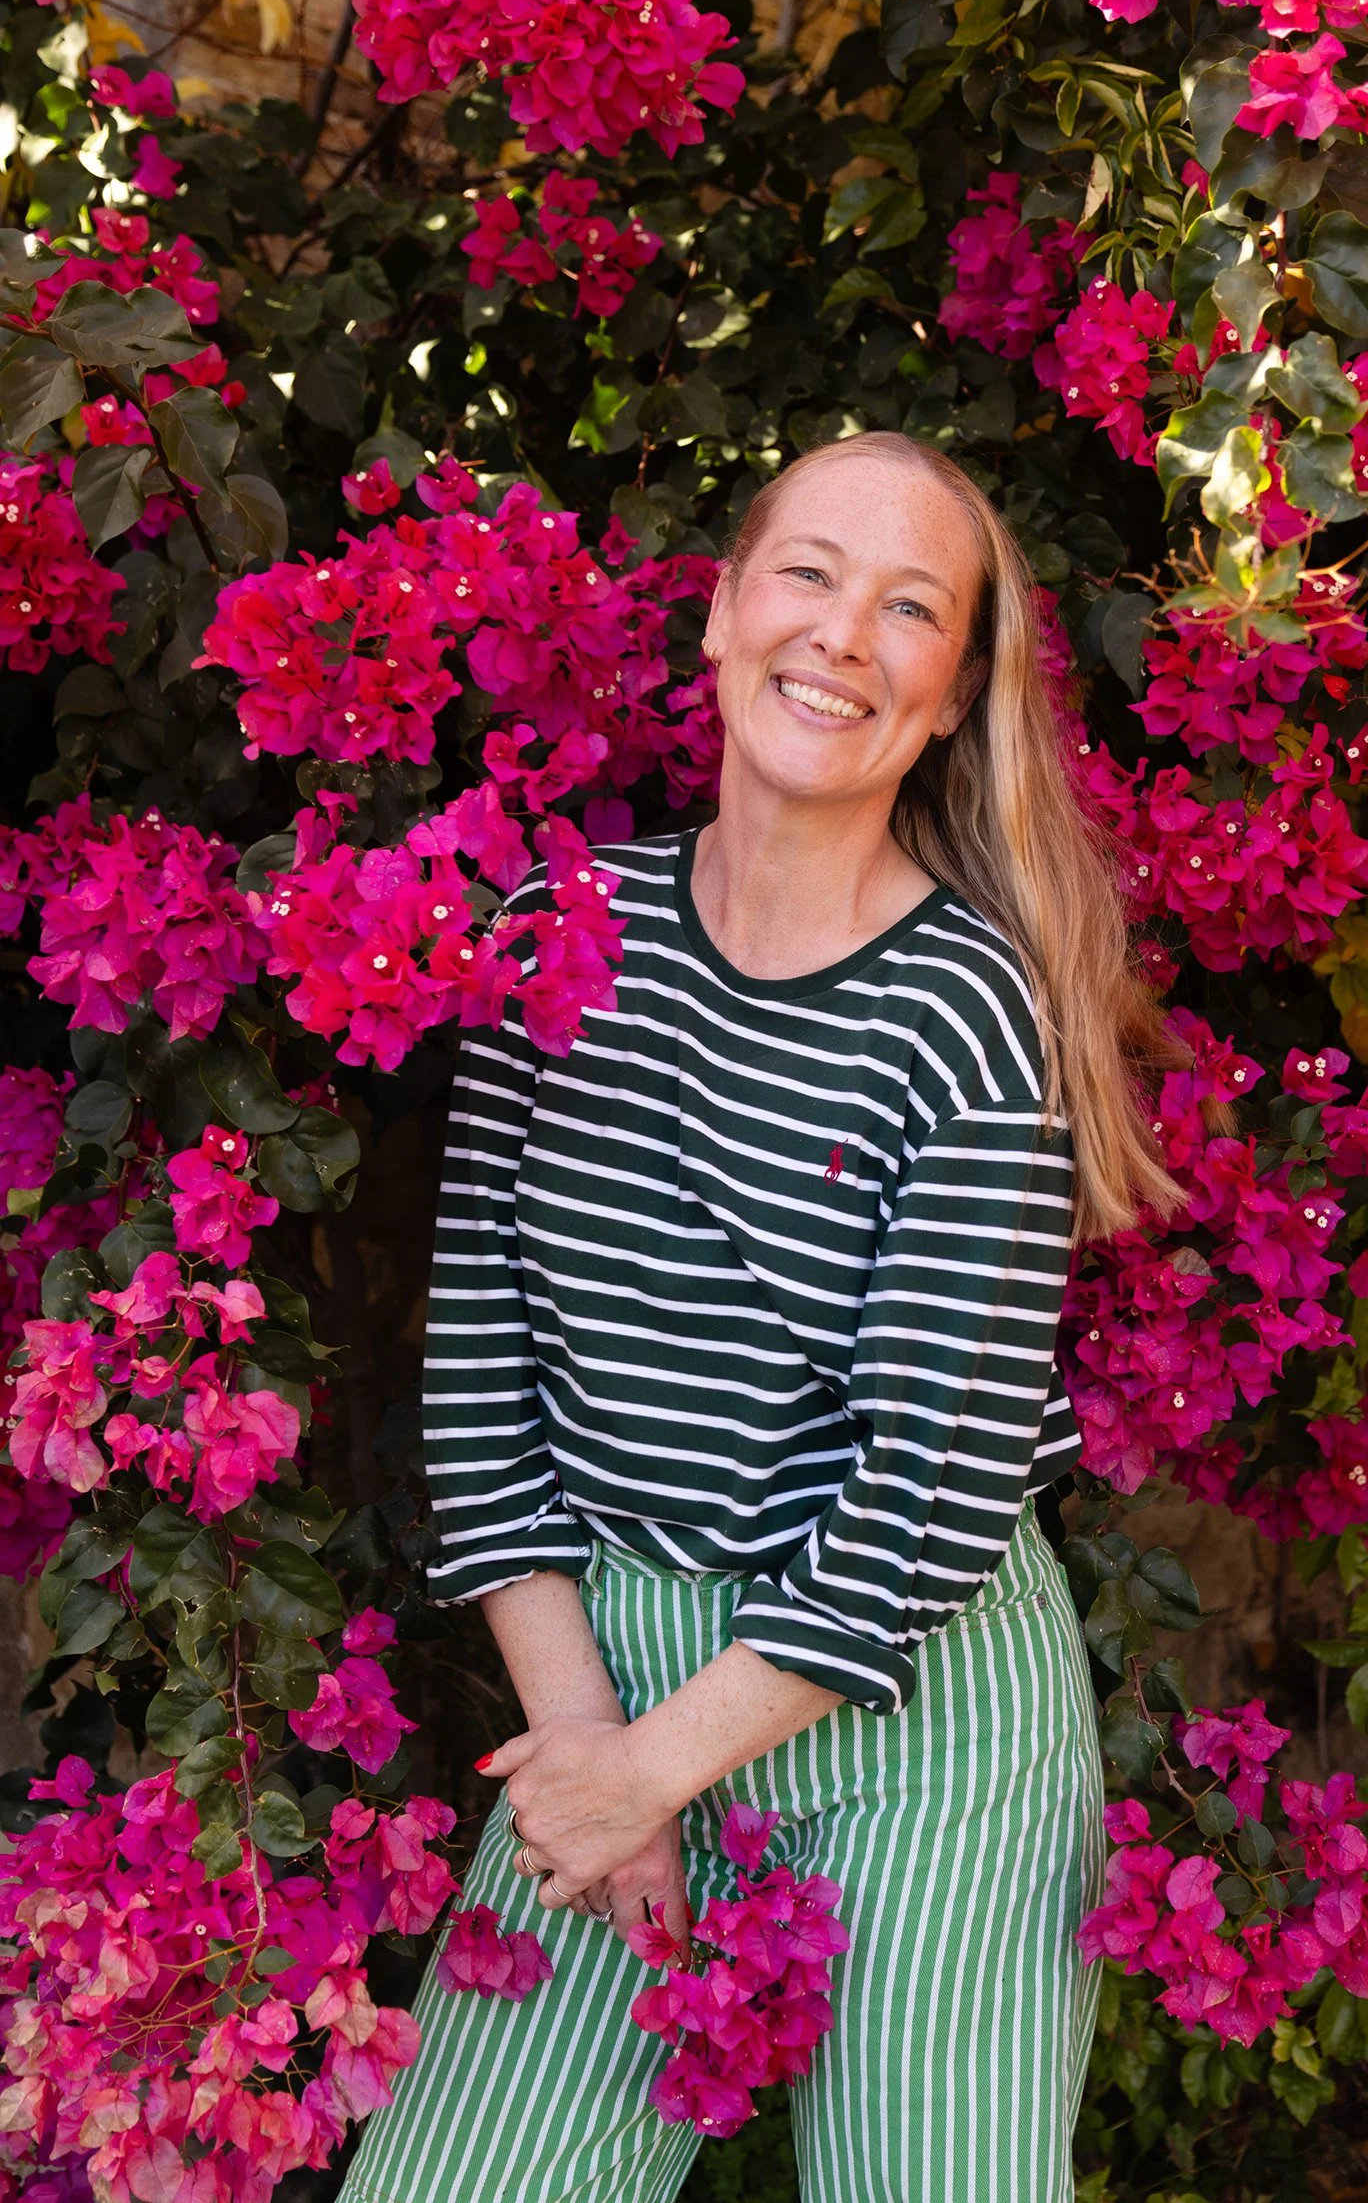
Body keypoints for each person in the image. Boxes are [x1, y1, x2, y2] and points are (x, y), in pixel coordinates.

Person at [339, 430, 1179, 2203]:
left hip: (913, 1722)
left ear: (953, 699)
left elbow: (927, 1492)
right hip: (605, 1674)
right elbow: (482, 1361)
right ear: (721, 616)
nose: (844, 636)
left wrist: (662, 1760)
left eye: (910, 608)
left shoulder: (970, 1014)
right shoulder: (558, 935)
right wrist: (594, 1752)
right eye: (808, 573)